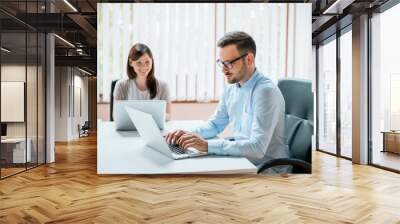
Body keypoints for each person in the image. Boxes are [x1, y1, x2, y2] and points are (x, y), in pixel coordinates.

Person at [165, 31, 290, 173]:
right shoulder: (231, 89)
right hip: (241, 161)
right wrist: (185, 135)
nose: (223, 70)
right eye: (221, 63)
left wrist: (207, 145)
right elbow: (215, 125)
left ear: (249, 59)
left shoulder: (265, 92)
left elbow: (257, 148)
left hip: (266, 169)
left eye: (229, 63)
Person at [114, 43, 171, 120]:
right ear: (131, 62)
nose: (144, 67)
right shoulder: (121, 85)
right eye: (139, 63)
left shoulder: (163, 86)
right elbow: (116, 116)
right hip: (130, 130)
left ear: (152, 61)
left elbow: (168, 116)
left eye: (147, 62)